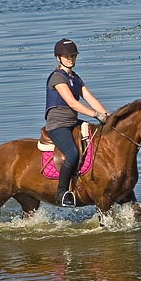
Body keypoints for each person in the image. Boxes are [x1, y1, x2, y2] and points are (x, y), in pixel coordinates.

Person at [45, 38, 109, 207]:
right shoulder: (57, 78)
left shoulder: (75, 78)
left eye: (73, 56)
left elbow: (90, 98)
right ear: (58, 58)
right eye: (67, 56)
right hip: (58, 125)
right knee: (72, 153)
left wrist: (107, 116)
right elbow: (73, 103)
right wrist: (95, 115)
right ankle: (62, 193)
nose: (70, 59)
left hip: (73, 122)